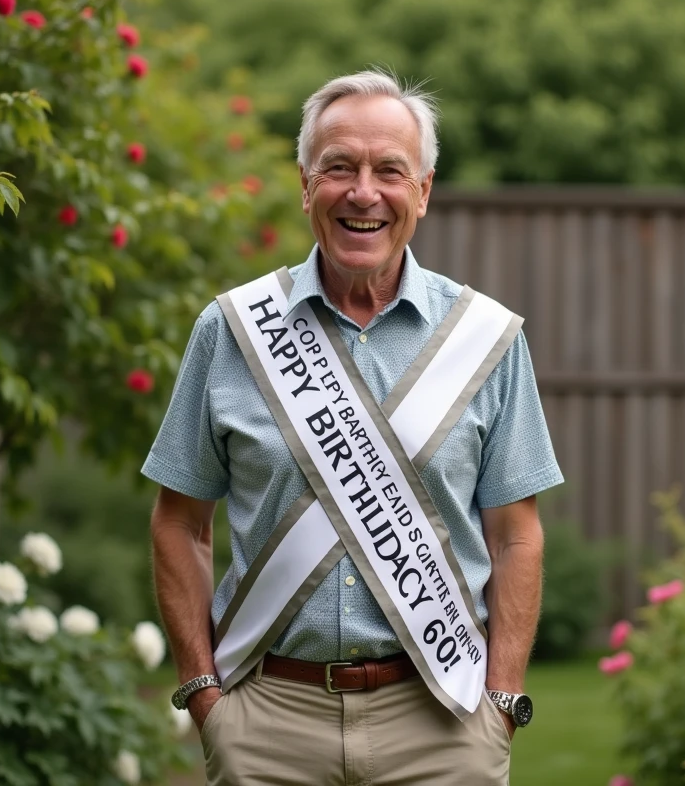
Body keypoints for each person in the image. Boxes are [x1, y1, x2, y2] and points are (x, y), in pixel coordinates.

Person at [142, 69, 563, 785]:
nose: (363, 192)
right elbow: (179, 522)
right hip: (269, 722)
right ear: (306, 186)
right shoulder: (233, 330)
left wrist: (500, 701)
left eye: (388, 171)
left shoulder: (485, 340)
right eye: (339, 167)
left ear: (423, 192)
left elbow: (516, 534)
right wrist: (206, 698)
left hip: (443, 723)